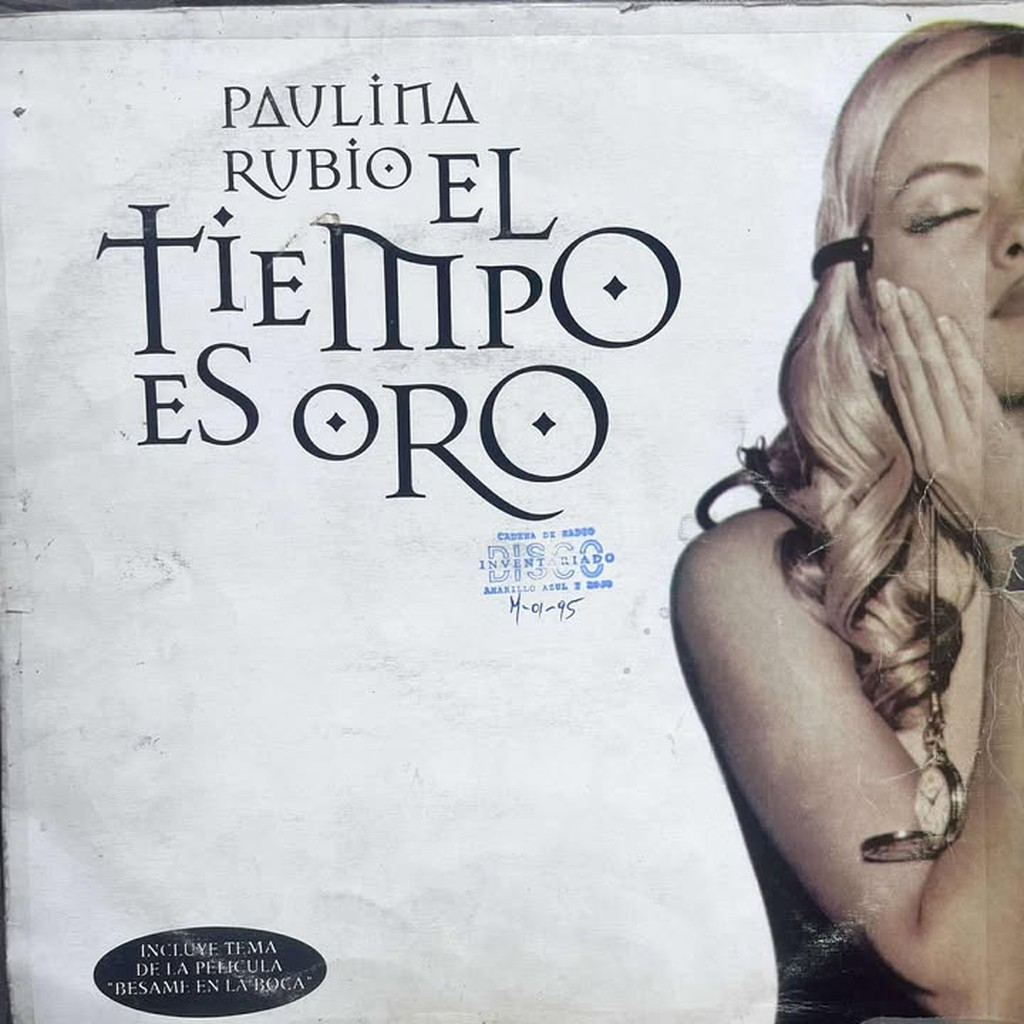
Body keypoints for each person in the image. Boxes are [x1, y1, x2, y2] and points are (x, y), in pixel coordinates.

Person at [673, 21, 1024, 1024]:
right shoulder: (759, 580)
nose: (1015, 233)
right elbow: (980, 984)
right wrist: (1014, 553)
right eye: (946, 210)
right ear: (865, 306)